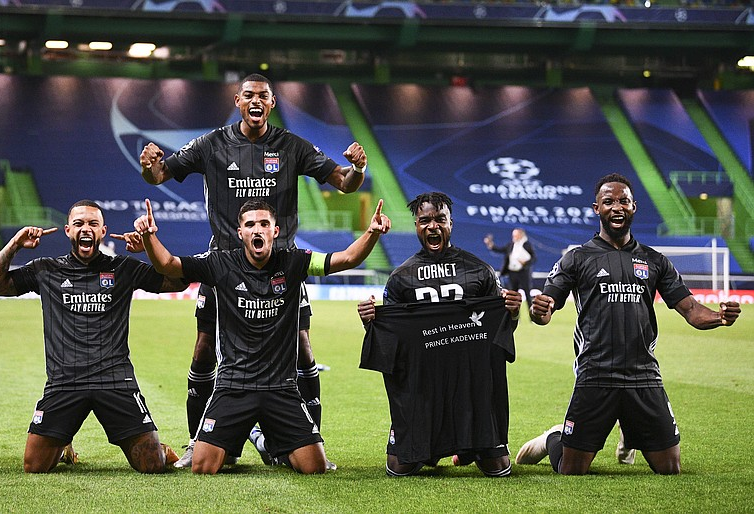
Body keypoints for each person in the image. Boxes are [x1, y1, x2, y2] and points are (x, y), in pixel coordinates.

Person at [139, 73, 369, 467]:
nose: (256, 101)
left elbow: (345, 183)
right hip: (223, 266)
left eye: (263, 95)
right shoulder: (211, 144)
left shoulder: (291, 146)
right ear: (238, 101)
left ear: (272, 103)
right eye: (248, 95)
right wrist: (149, 166)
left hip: (282, 268)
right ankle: (199, 441)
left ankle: (304, 441)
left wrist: (358, 169)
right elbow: (158, 175)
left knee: (302, 348)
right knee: (204, 349)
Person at [135, 197, 390, 474]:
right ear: (240, 232)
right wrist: (149, 237)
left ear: (275, 231)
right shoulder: (219, 264)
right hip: (233, 386)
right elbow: (169, 264)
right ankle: (245, 433)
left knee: (314, 467)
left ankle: (263, 440)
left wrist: (372, 232)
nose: (257, 229)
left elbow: (348, 258)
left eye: (264, 224)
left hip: (281, 388)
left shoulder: (294, 262)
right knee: (203, 466)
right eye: (250, 225)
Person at [514, 173, 742, 475]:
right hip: (595, 373)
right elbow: (544, 311)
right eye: (609, 201)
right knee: (572, 470)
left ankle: (630, 426)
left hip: (643, 374)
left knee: (670, 468)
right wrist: (538, 311)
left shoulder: (655, 260)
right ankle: (553, 438)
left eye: (624, 201)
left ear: (634, 207)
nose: (617, 207)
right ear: (597, 208)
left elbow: (690, 309)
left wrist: (719, 317)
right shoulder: (576, 258)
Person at [0, 200, 186, 474]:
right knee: (34, 466)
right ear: (68, 231)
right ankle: (62, 441)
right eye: (78, 224)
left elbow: (178, 281)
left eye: (92, 224)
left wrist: (149, 245)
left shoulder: (123, 267)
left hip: (115, 380)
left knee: (153, 466)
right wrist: (15, 243)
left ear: (103, 231)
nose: (85, 229)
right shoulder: (46, 269)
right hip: (65, 381)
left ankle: (158, 448)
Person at [357, 192, 522, 477]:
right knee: (398, 468)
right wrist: (370, 321)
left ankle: (465, 447)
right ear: (416, 226)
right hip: (423, 383)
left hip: (471, 382)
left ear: (450, 224)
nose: (433, 226)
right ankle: (438, 446)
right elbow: (391, 341)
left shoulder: (480, 271)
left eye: (440, 219)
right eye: (425, 220)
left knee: (498, 468)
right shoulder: (401, 278)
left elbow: (499, 332)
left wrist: (513, 312)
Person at [484, 227, 535, 310]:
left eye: (515, 235)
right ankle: (514, 314)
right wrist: (490, 244)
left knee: (527, 293)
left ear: (521, 235)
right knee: (512, 295)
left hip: (523, 273)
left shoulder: (527, 245)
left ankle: (532, 313)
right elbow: (500, 250)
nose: (513, 237)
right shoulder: (511, 245)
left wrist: (525, 263)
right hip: (512, 273)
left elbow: (533, 258)